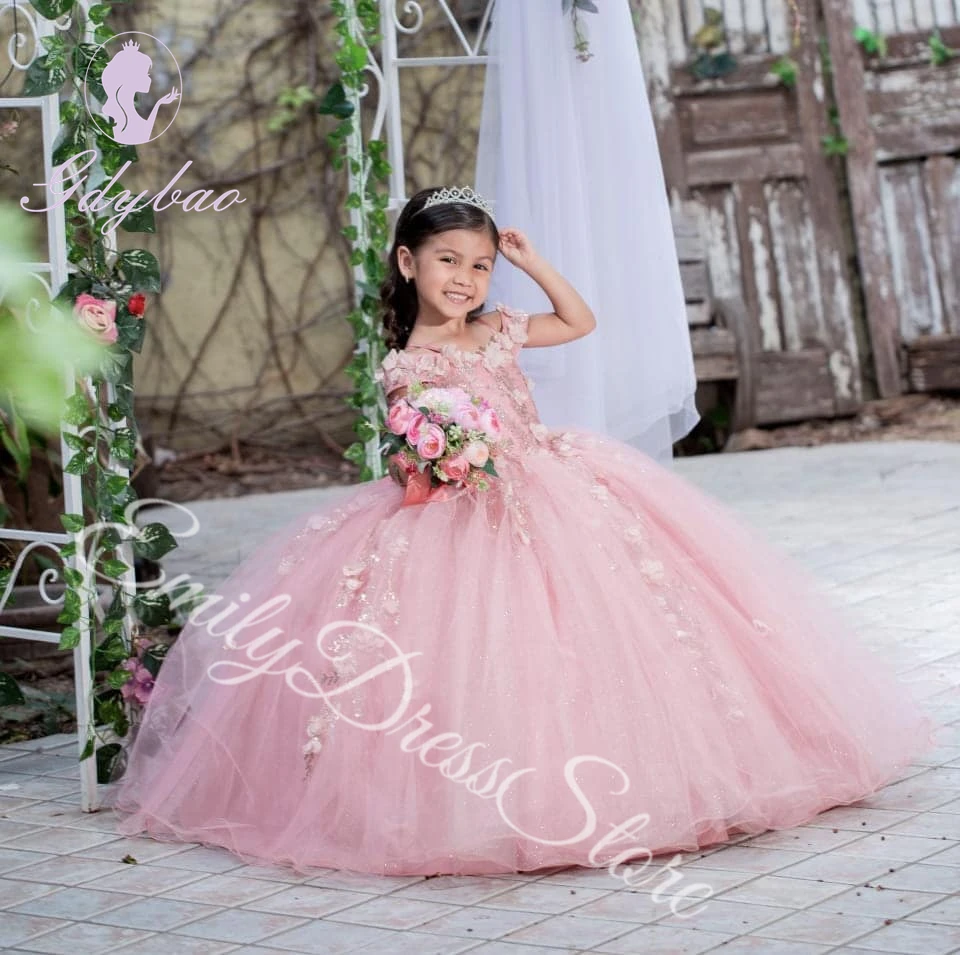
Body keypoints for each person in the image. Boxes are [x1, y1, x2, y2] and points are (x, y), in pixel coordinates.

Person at [105, 185, 936, 878]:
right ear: (407, 263)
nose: (464, 279)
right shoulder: (405, 365)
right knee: (483, 657)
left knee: (626, 624)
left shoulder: (502, 328)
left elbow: (579, 321)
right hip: (455, 516)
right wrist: (442, 459)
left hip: (553, 484)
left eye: (478, 264)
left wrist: (531, 262)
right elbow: (409, 467)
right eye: (447, 262)